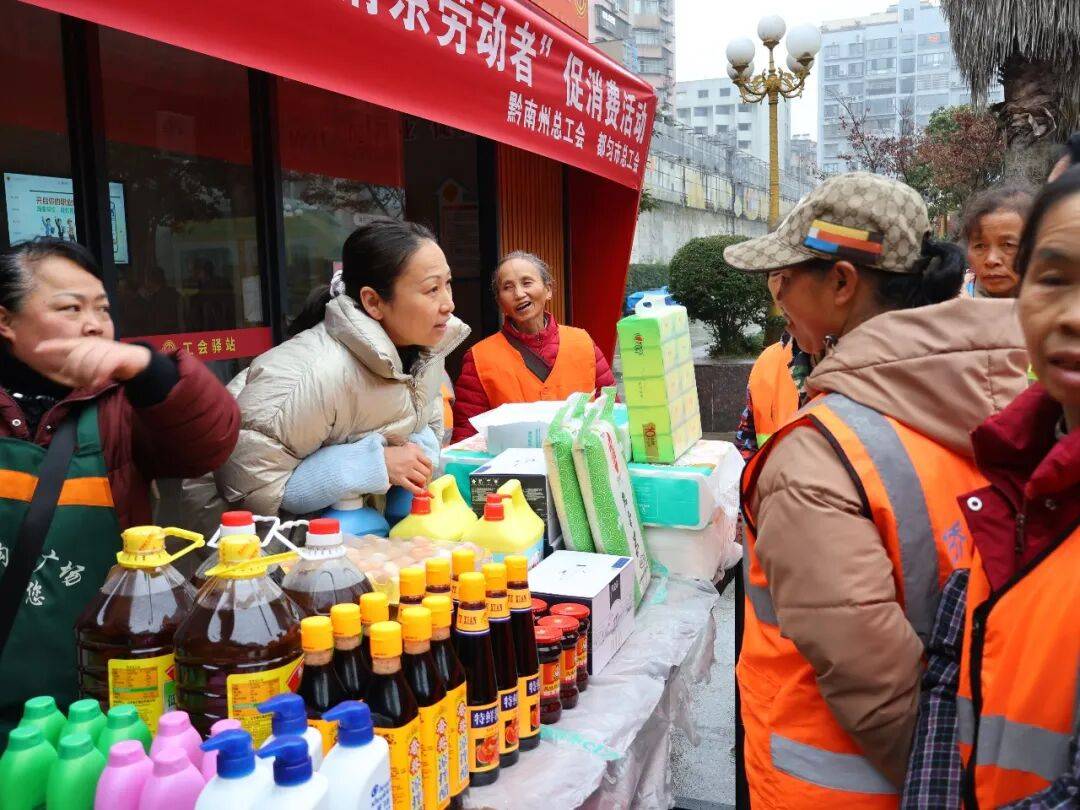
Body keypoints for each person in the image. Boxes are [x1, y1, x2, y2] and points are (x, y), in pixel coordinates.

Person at [727, 173, 1030, 809]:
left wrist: (945, 794)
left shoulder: (819, 454)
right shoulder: (998, 392)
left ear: (841, 283)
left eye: (783, 277)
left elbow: (876, 688)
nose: (777, 298)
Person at [0, 238, 240, 736]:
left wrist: (148, 370)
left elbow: (210, 441)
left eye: (103, 309)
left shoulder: (121, 405)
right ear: (6, 320)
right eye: (71, 308)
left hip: (111, 693)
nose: (94, 324)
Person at [903, 165, 1080, 810]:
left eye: (1013, 249)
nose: (1072, 316)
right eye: (1054, 279)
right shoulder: (1012, 481)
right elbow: (950, 679)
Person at [213, 217, 469, 519]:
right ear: (373, 302)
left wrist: (419, 446)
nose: (449, 304)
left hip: (358, 528)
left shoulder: (425, 350)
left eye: (447, 284)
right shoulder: (313, 374)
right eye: (432, 289)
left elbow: (424, 421)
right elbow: (249, 492)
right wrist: (372, 464)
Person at [451, 251, 614, 443]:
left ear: (548, 289)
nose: (519, 294)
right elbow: (466, 437)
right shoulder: (480, 358)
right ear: (500, 302)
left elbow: (611, 413)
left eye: (527, 283)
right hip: (511, 463)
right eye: (507, 287)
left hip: (580, 459)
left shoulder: (583, 343)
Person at [734, 271, 809, 460]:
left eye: (792, 272)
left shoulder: (860, 368)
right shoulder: (768, 361)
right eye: (774, 274)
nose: (779, 288)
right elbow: (746, 444)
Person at [960, 184, 1034, 299]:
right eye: (980, 246)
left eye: (1008, 245)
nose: (991, 260)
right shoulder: (951, 302)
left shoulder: (1055, 304)